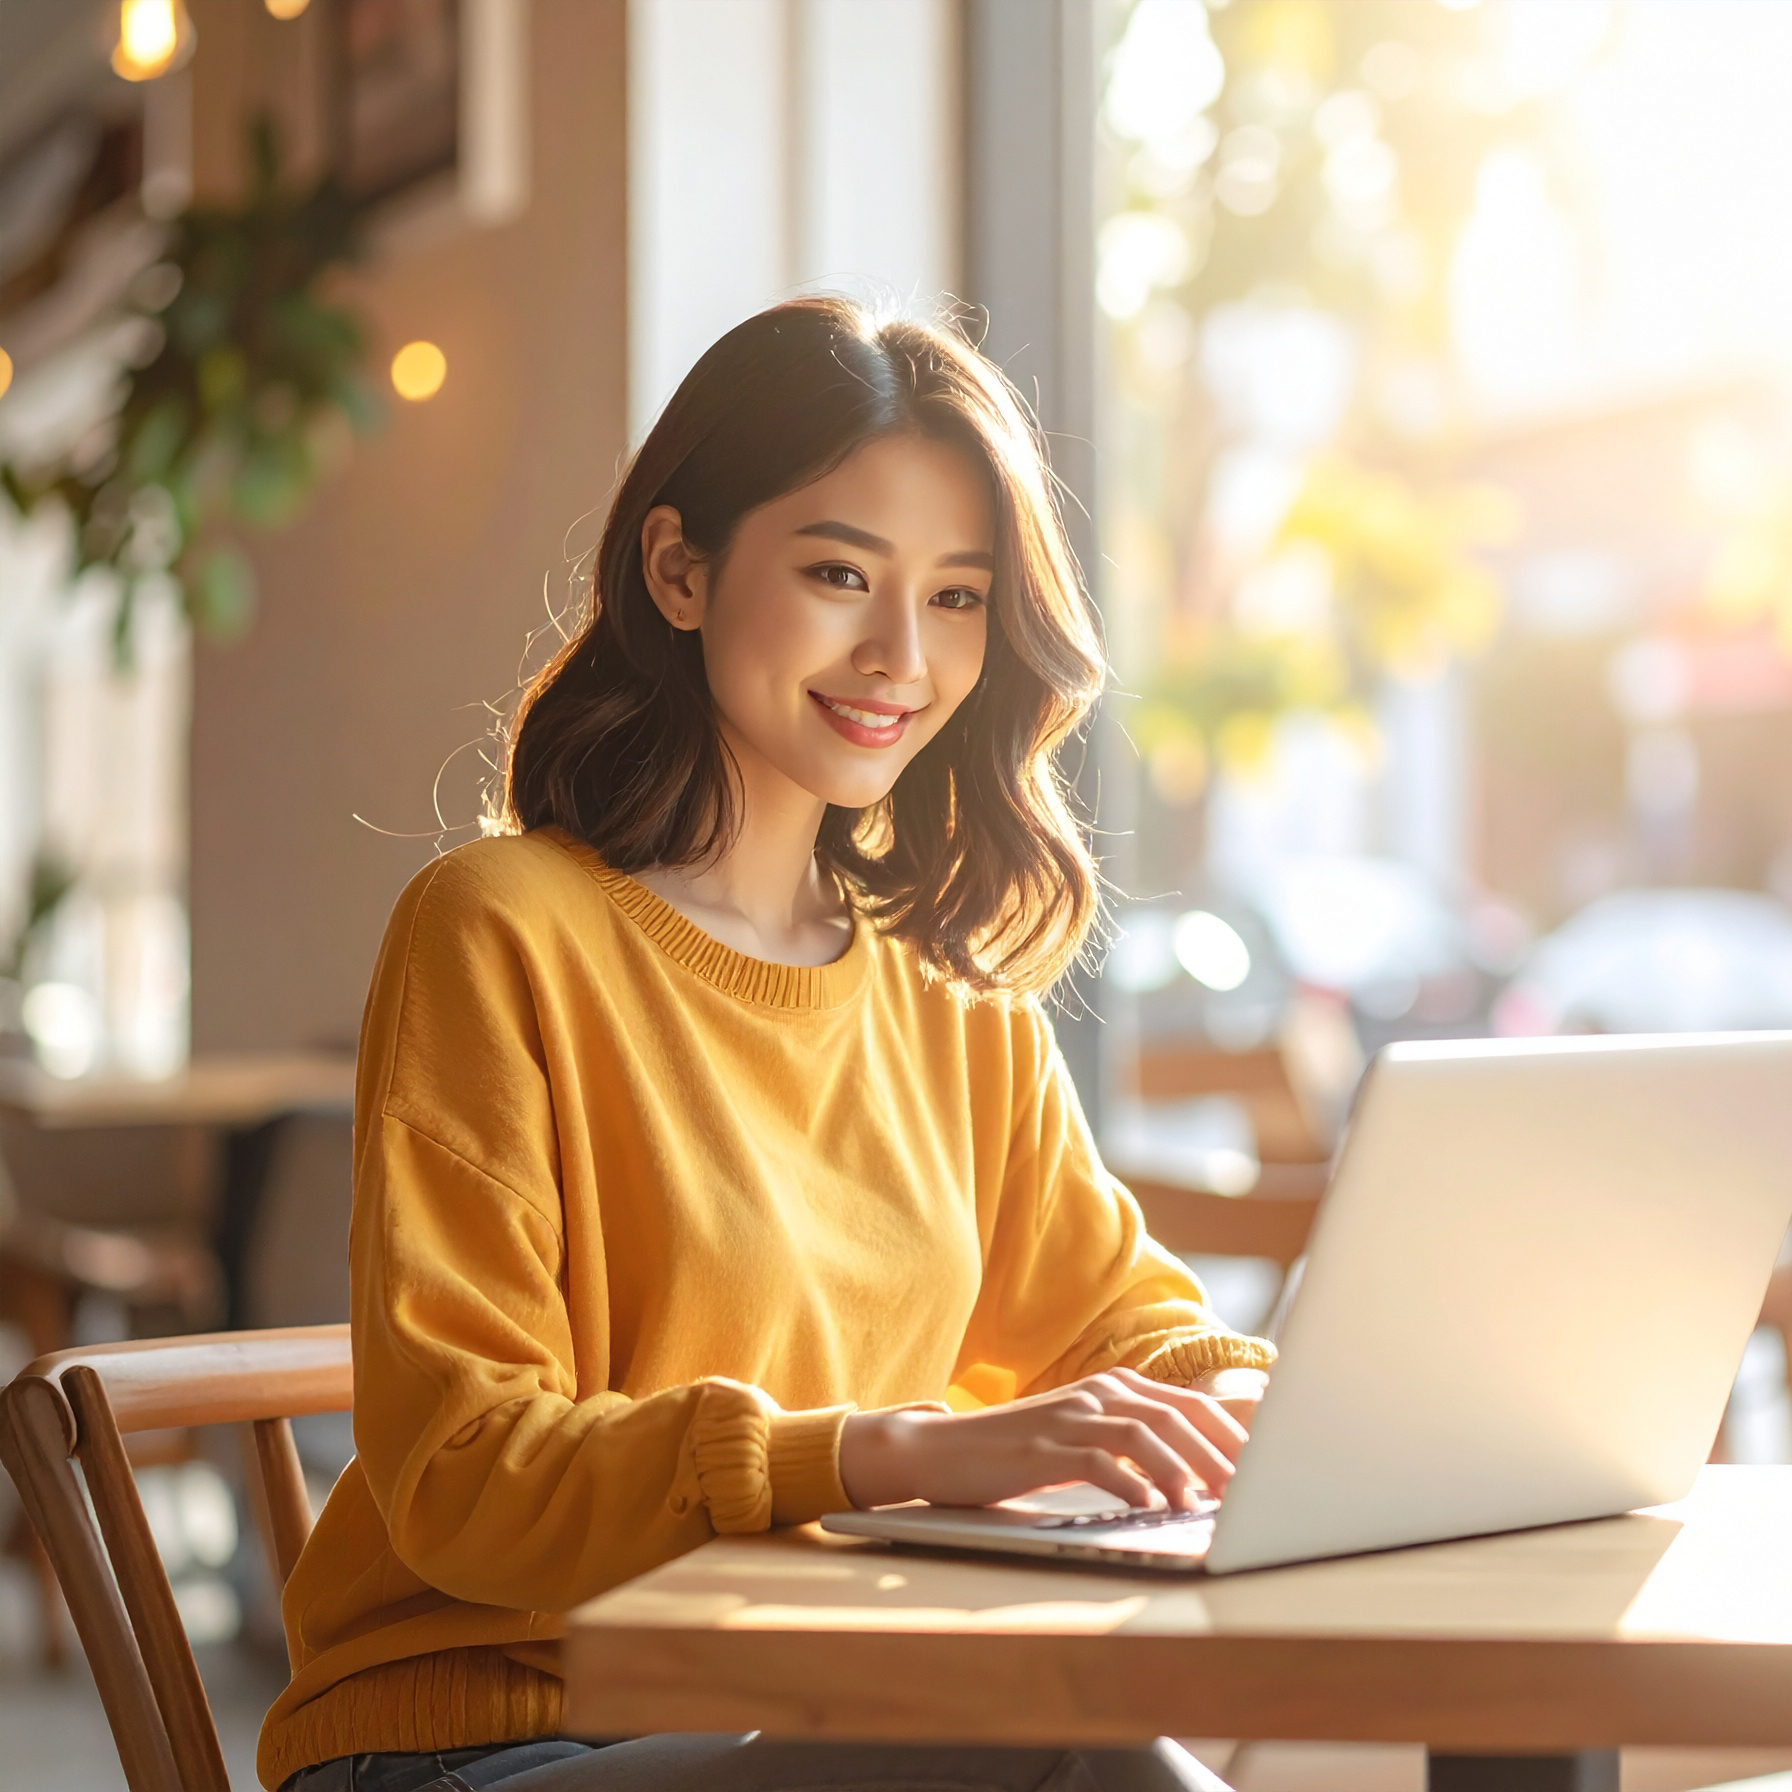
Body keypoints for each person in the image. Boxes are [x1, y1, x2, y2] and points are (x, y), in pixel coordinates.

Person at [262, 298, 1275, 1792]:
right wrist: (881, 1454)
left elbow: (1121, 1321)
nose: (897, 655)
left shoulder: (948, 985)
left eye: (955, 597)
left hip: (790, 1713)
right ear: (679, 569)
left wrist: (1253, 1406)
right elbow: (462, 1476)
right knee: (1080, 1766)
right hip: (495, 1735)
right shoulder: (497, 930)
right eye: (836, 573)